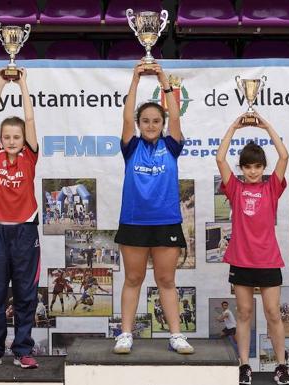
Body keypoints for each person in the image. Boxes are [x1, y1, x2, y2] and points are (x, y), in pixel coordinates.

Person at [113, 62, 193, 355]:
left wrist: (164, 81)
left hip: (166, 222)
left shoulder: (172, 146)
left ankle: (175, 335)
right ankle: (125, 334)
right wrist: (135, 80)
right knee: (133, 278)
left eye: (155, 121)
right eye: (144, 120)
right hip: (134, 222)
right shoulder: (130, 146)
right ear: (138, 124)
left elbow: (175, 118)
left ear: (162, 123)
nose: (150, 125)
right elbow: (126, 115)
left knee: (166, 280)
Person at [216, 112, 289, 385]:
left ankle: (282, 366)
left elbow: (284, 157)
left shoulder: (272, 187)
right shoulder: (234, 188)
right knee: (244, 313)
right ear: (242, 168)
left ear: (263, 168)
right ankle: (244, 365)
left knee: (273, 313)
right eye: (248, 166)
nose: (252, 171)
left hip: (268, 260)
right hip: (241, 260)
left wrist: (267, 126)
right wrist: (234, 126)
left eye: (257, 166)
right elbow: (220, 158)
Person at [0, 68, 40, 369]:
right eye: (7, 137)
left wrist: (23, 84)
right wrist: (0, 84)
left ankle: (23, 350)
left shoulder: (30, 156)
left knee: (26, 295)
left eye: (16, 137)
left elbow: (29, 120)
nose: (12, 140)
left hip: (25, 232)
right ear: (1, 140)